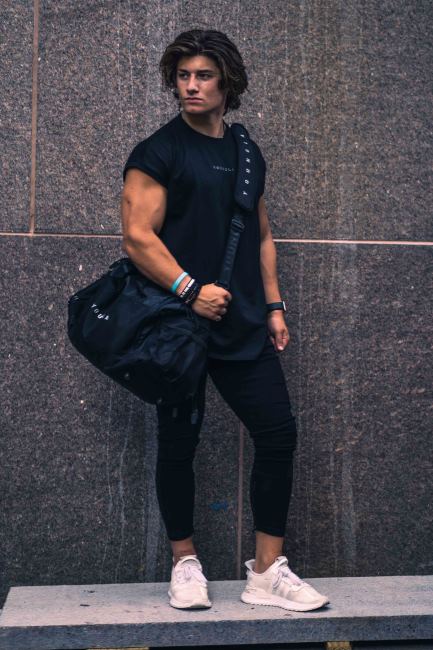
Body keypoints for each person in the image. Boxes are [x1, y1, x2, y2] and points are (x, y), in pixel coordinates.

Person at [121, 28, 329, 612]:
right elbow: (137, 237)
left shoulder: (245, 152)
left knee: (277, 433)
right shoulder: (158, 151)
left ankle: (266, 573)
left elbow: (261, 234)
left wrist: (274, 305)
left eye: (203, 75)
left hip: (241, 325)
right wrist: (189, 290)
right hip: (177, 327)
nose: (191, 85)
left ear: (227, 82)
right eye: (183, 76)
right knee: (179, 442)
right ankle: (184, 563)